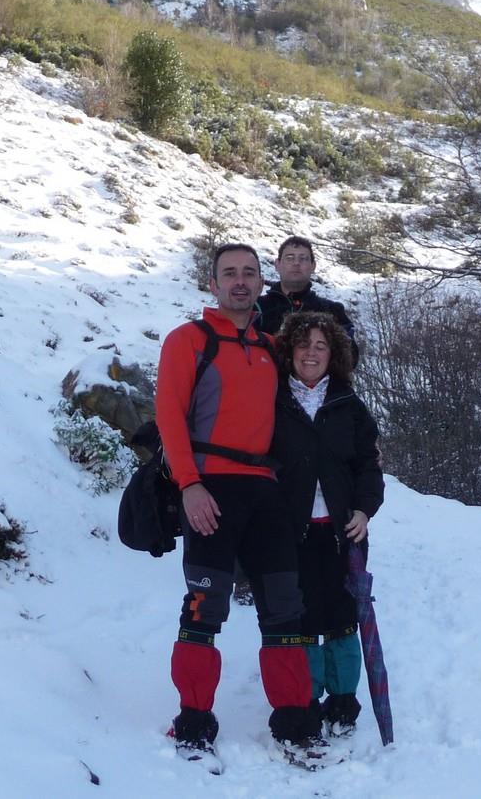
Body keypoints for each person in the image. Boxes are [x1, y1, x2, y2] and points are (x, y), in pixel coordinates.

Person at [155, 243, 320, 756]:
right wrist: (189, 485)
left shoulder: (273, 347)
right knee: (204, 608)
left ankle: (294, 720)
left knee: (284, 608)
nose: (240, 281)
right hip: (211, 487)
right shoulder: (188, 340)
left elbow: (317, 393)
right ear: (213, 284)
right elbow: (169, 417)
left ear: (261, 283)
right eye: (230, 273)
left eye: (249, 272)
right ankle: (193, 719)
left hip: (265, 491)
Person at [270, 311, 384, 738]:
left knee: (342, 619)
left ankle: (342, 701)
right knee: (302, 621)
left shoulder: (348, 406)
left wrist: (364, 510)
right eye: (304, 344)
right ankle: (307, 699)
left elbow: (368, 466)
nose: (311, 353)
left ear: (333, 353)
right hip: (291, 533)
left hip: (342, 534)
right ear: (290, 351)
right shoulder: (273, 401)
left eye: (321, 346)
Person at [256, 237, 357, 350]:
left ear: (313, 266)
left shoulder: (332, 311)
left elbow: (350, 354)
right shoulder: (256, 309)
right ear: (277, 264)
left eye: (303, 258)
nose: (296, 263)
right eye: (290, 258)